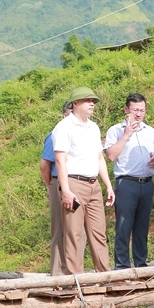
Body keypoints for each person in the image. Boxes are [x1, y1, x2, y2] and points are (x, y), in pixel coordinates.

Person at [52, 87, 114, 274]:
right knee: (74, 234)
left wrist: (108, 186)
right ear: (75, 103)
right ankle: (75, 280)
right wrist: (66, 190)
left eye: (93, 101)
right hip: (74, 183)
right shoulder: (64, 127)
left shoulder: (93, 127)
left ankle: (104, 276)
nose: (92, 104)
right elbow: (60, 161)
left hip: (93, 184)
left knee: (99, 233)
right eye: (87, 101)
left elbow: (99, 158)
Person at [104, 93, 154, 269]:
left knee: (142, 226)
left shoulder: (150, 131)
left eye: (142, 110)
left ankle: (140, 263)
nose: (139, 114)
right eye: (135, 110)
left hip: (146, 182)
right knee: (124, 225)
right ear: (126, 110)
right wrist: (126, 135)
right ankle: (122, 266)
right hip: (126, 183)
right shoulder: (115, 130)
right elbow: (111, 155)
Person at [39, 101, 79, 276]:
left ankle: (72, 272)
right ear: (64, 115)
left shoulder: (82, 134)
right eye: (71, 113)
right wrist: (51, 186)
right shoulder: (55, 134)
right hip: (59, 183)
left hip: (77, 182)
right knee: (59, 230)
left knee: (76, 231)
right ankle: (58, 275)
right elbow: (44, 165)